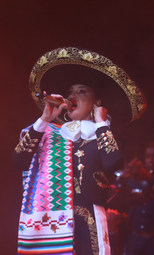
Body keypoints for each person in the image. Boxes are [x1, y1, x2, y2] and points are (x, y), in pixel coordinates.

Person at [13, 47, 146, 255]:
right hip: (52, 223)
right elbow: (19, 160)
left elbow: (113, 163)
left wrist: (101, 123)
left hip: (90, 221)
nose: (72, 95)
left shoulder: (101, 134)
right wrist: (44, 119)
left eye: (81, 91)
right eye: (70, 92)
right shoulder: (49, 133)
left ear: (97, 103)